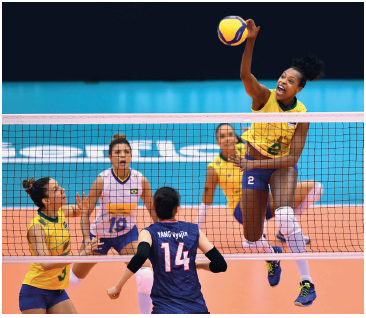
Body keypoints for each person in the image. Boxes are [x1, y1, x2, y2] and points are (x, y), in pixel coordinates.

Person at [228, 19, 325, 307]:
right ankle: (272, 256)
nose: (283, 81)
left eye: (290, 80)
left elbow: (293, 158)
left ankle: (307, 283)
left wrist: (252, 166)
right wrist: (250, 40)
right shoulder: (263, 97)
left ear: (298, 89)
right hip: (254, 166)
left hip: (282, 168)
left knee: (284, 215)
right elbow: (245, 74)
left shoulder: (302, 115)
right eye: (283, 76)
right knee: (250, 236)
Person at [196, 123, 323, 290]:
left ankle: (284, 231)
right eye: (222, 136)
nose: (227, 138)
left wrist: (257, 135)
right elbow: (206, 203)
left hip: (266, 198)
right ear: (217, 142)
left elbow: (272, 147)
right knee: (251, 239)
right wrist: (194, 234)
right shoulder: (215, 168)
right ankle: (271, 254)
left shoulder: (248, 150)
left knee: (315, 188)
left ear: (236, 138)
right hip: (241, 208)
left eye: (230, 134)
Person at [69, 134, 156, 314]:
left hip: (126, 235)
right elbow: (85, 212)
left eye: (126, 152)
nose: (122, 155)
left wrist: (165, 233)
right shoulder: (102, 180)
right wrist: (87, 239)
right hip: (98, 236)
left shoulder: (140, 180)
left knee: (146, 276)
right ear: (110, 157)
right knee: (72, 281)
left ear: (131, 156)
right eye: (117, 152)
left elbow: (153, 211)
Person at [107, 187, 227, 314]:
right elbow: (220, 265)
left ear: (154, 207)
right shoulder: (194, 231)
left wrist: (117, 287)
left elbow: (141, 255)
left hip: (165, 310)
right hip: (196, 309)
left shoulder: (149, 233)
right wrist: (199, 265)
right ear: (176, 208)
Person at [19, 177, 102, 314]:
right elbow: (46, 264)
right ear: (46, 201)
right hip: (36, 291)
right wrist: (81, 254)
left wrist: (84, 209)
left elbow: (77, 211)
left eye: (59, 186)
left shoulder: (60, 213)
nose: (62, 189)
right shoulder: (37, 228)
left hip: (57, 291)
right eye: (56, 189)